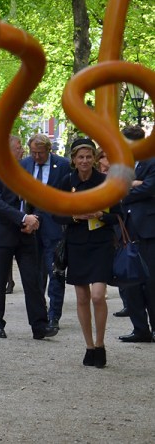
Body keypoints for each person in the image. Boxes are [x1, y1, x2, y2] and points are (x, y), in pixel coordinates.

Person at [52, 137, 121, 368]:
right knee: (82, 297)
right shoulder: (66, 181)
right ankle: (89, 346)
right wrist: (75, 217)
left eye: (88, 156)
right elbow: (55, 214)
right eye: (80, 157)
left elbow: (119, 216)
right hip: (77, 242)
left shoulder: (105, 181)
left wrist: (101, 214)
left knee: (98, 295)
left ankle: (101, 344)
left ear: (94, 158)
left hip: (101, 243)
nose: (84, 160)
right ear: (73, 159)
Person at [0, 135, 57, 341]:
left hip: (27, 235)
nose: (23, 152)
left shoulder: (27, 174)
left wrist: (35, 220)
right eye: (18, 148)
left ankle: (39, 325)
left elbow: (36, 199)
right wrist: (23, 218)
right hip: (3, 235)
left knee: (32, 281)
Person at [21, 133, 70, 334]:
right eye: (33, 152)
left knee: (55, 271)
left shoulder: (63, 165)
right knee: (35, 272)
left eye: (40, 153)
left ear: (49, 150)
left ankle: (54, 316)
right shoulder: (25, 164)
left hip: (53, 226)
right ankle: (40, 314)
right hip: (30, 226)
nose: (37, 157)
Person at [117, 126, 155, 343]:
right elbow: (113, 188)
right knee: (129, 280)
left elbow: (150, 188)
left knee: (152, 282)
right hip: (126, 230)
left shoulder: (152, 161)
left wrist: (127, 189)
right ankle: (140, 329)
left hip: (149, 230)